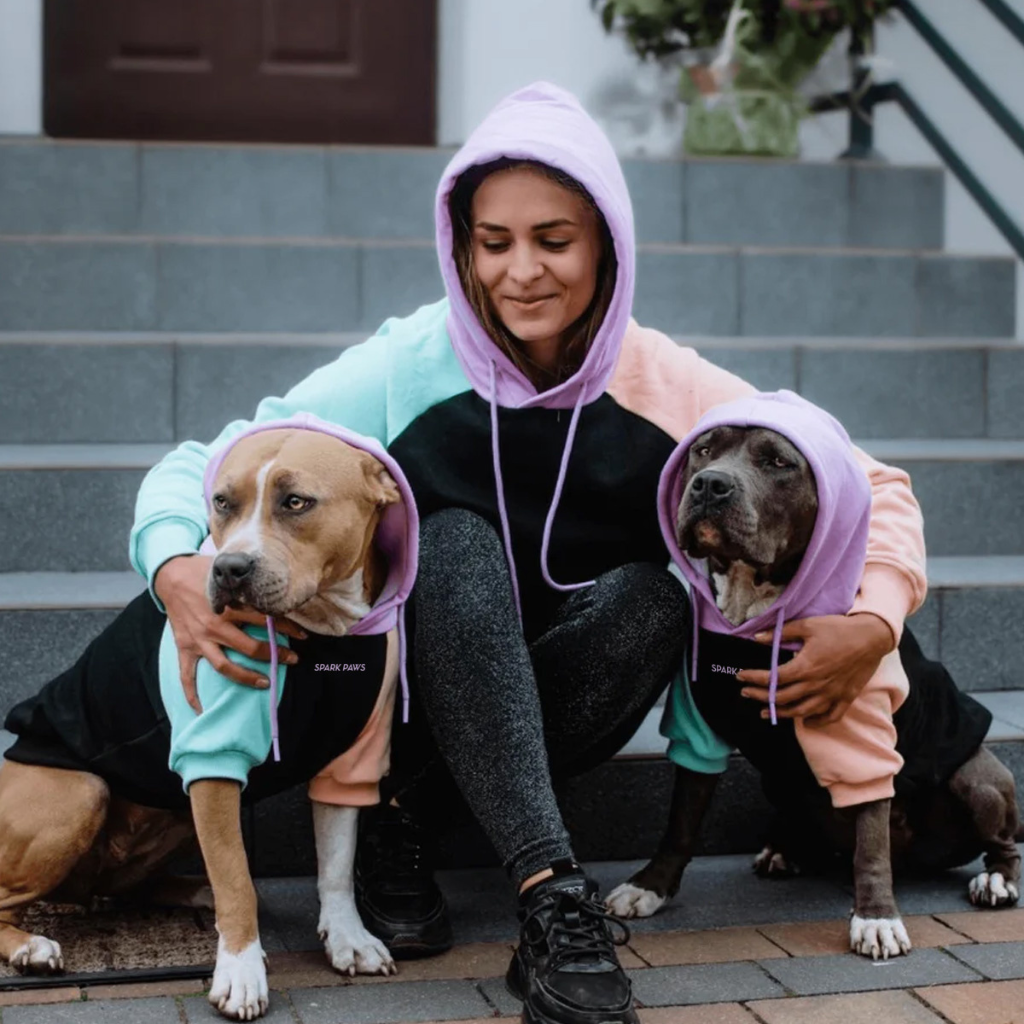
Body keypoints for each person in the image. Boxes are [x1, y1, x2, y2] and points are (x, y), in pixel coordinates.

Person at [131, 83, 926, 1024]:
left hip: (556, 692)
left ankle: (408, 821)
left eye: (555, 240)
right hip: (411, 690)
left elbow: (872, 483)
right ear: (462, 247)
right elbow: (211, 459)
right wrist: (175, 566)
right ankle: (553, 891)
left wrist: (875, 621)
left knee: (657, 599)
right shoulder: (407, 366)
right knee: (456, 540)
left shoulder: (662, 378)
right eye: (494, 242)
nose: (522, 272)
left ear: (607, 247)